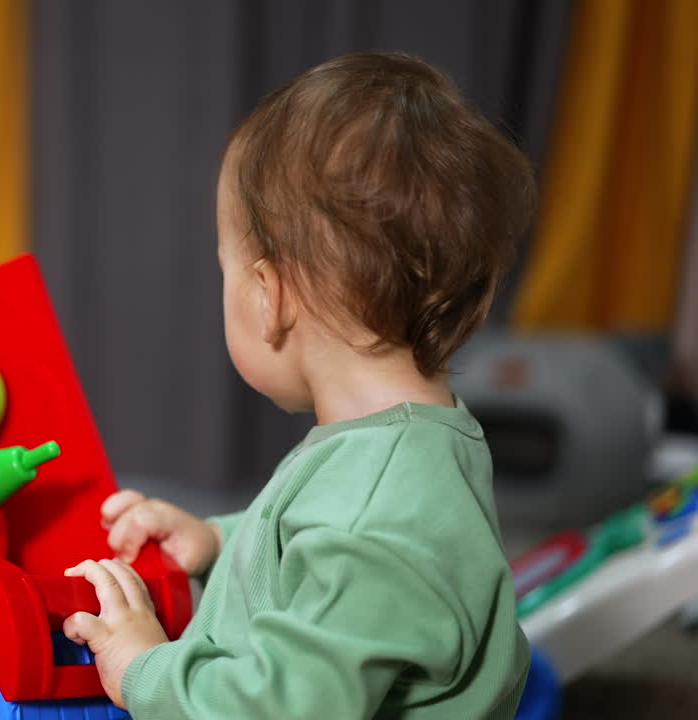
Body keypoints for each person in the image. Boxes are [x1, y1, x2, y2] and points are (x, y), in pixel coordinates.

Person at [62, 52, 537, 719]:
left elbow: (286, 705)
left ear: (268, 296)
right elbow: (321, 554)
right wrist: (219, 543)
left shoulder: (378, 510)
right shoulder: (396, 451)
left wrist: (145, 666)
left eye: (226, 269)